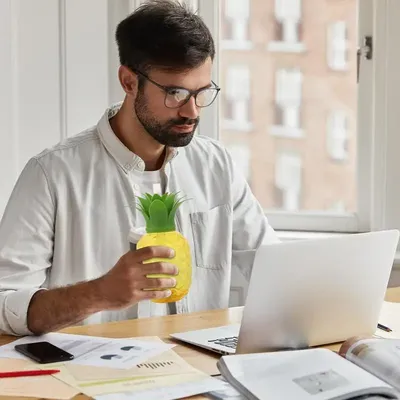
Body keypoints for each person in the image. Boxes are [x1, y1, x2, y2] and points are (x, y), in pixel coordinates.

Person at [0, 0, 278, 337]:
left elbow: (274, 268)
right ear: (129, 82)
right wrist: (99, 292)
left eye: (201, 92)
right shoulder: (51, 175)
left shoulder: (217, 166)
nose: (191, 111)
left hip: (202, 375)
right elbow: (4, 305)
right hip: (93, 381)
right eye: (175, 93)